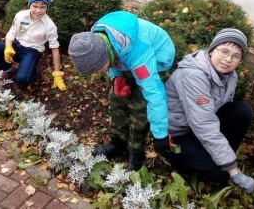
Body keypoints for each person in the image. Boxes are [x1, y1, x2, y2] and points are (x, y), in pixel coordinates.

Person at [68, 10, 175, 171]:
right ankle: (118, 142)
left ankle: (136, 151)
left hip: (156, 57)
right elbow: (110, 57)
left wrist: (161, 134)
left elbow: (155, 94)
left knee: (141, 106)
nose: (98, 72)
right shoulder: (94, 39)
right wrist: (116, 76)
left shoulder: (140, 56)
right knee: (116, 97)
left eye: (99, 69)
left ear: (107, 58)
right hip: (124, 57)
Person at [163, 28, 254, 193]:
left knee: (243, 111)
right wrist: (234, 171)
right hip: (176, 134)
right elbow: (204, 124)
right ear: (212, 49)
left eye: (236, 56)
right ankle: (181, 162)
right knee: (223, 176)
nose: (228, 59)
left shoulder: (231, 75)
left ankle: (219, 158)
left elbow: (222, 111)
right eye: (224, 51)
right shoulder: (193, 75)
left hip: (198, 127)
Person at [0, 0, 66, 90]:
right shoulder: (20, 16)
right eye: (35, 6)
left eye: (42, 7)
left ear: (47, 7)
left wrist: (57, 74)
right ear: (30, 4)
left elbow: (54, 48)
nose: (38, 10)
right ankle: (9, 70)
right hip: (16, 47)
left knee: (22, 79)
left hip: (32, 52)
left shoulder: (50, 26)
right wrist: (8, 47)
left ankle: (35, 67)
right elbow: (11, 34)